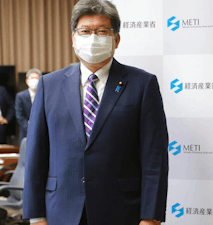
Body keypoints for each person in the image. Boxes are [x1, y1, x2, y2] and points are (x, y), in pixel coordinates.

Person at [22, 0, 169, 225]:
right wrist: (36, 216)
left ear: (116, 39)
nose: (93, 38)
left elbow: (154, 158)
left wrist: (150, 218)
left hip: (122, 211)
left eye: (102, 31)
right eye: (85, 31)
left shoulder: (143, 84)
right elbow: (35, 155)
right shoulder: (48, 85)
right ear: (73, 38)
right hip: (60, 211)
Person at [15, 68, 42, 145]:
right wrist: (31, 128)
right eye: (32, 78)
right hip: (25, 133)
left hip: (42, 132)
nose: (34, 80)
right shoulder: (20, 96)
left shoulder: (46, 96)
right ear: (27, 81)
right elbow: (19, 116)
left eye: (37, 78)